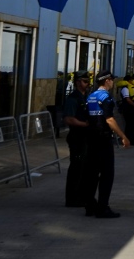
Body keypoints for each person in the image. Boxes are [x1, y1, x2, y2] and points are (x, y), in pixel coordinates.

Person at [81, 70, 129, 218]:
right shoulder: (106, 97)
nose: (113, 82)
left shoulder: (91, 96)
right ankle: (103, 207)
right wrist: (123, 136)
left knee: (92, 174)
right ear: (107, 81)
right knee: (107, 174)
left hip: (91, 137)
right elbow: (109, 119)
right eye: (111, 79)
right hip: (103, 138)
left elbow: (87, 118)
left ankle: (90, 205)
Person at [62, 72, 90, 207]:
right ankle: (72, 198)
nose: (87, 83)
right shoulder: (73, 99)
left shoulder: (85, 97)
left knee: (84, 168)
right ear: (78, 82)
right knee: (76, 167)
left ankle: (80, 195)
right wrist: (85, 124)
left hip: (85, 136)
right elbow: (68, 118)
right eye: (85, 81)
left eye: (88, 81)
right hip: (77, 136)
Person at [118, 74, 134, 146]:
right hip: (129, 109)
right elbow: (127, 99)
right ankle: (130, 139)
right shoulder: (125, 88)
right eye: (131, 79)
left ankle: (133, 139)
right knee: (130, 125)